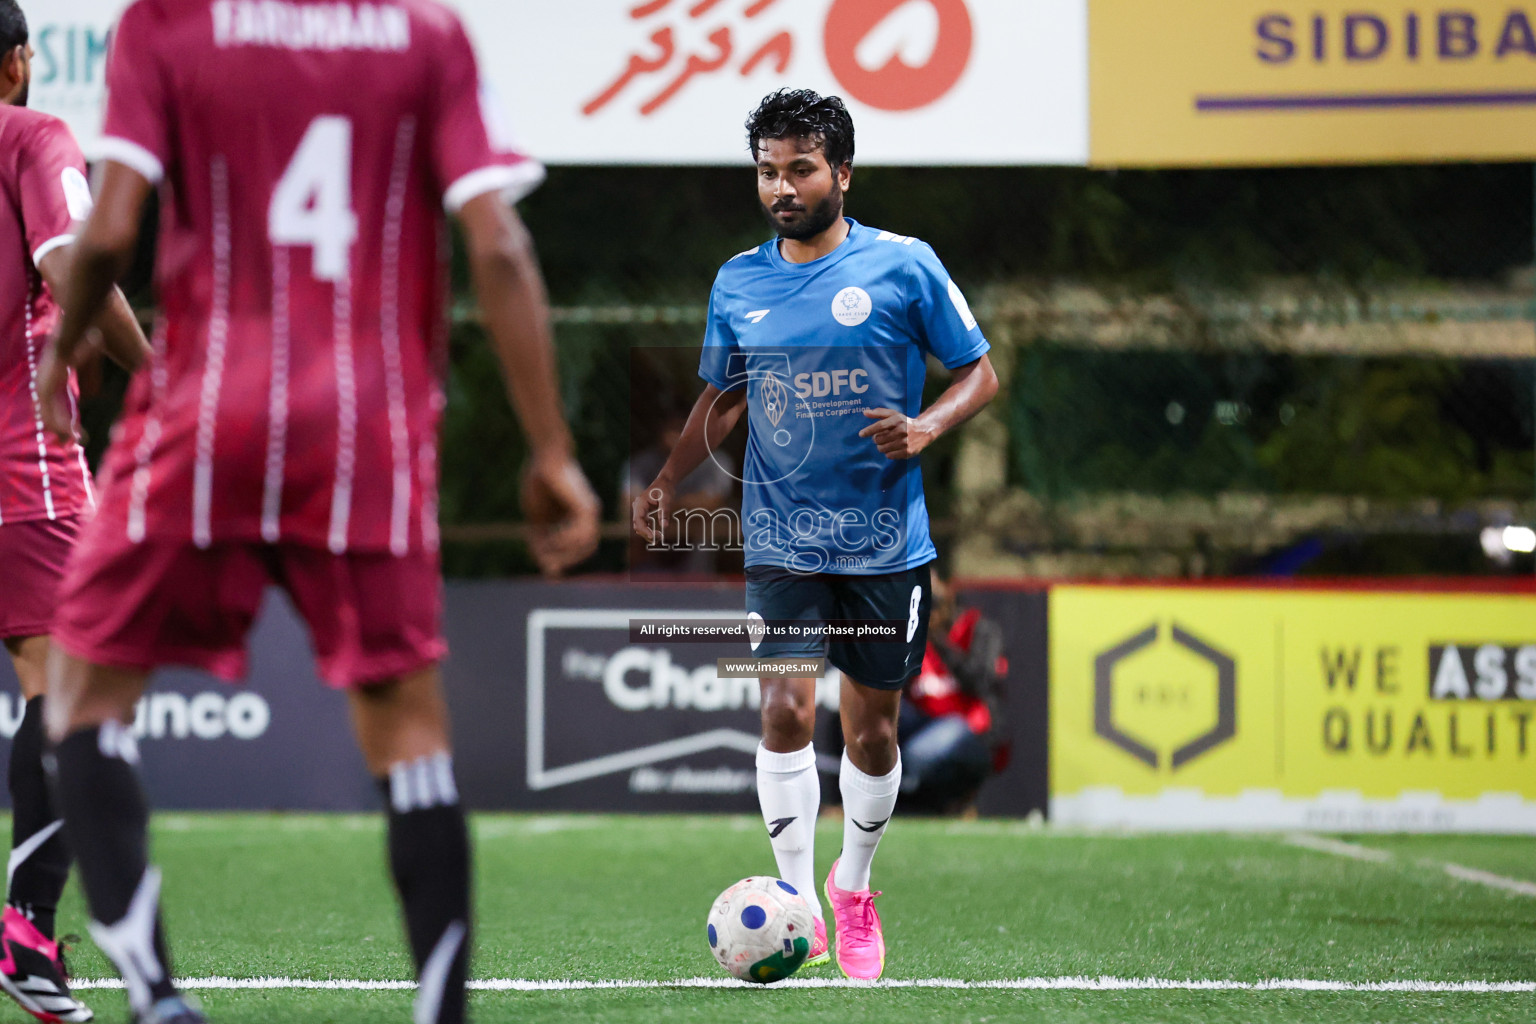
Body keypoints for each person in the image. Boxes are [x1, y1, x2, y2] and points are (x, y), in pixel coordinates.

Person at [36, 1, 600, 1022]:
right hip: (366, 430)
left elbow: (110, 230)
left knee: (80, 694)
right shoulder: (426, 34)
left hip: (204, 416)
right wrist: (552, 450)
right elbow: (502, 248)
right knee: (409, 733)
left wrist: (60, 349)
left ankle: (157, 995)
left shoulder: (166, 24)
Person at [632, 88, 998, 980]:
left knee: (872, 735)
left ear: (842, 171)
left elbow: (979, 373)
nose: (782, 187)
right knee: (785, 707)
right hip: (781, 538)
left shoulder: (905, 267)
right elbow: (724, 400)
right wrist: (672, 478)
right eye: (768, 171)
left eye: (800, 168)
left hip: (885, 544)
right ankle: (797, 904)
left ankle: (854, 886)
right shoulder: (739, 281)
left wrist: (927, 427)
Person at [0, 3, 151, 1020]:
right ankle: (25, 928)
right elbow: (71, 268)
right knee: (77, 693)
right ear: (19, 63)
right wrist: (163, 375)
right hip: (23, 471)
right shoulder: (31, 133)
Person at [897, 572, 1008, 815]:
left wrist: (936, 639)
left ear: (949, 592)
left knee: (922, 751)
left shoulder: (978, 628)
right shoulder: (911, 629)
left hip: (968, 727)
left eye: (933, 599)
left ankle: (904, 789)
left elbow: (981, 682)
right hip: (922, 723)